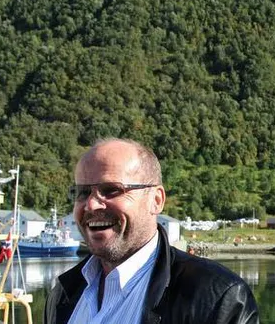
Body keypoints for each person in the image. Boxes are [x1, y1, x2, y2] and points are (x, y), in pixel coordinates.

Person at [45, 138, 259, 324]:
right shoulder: (63, 294)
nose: (91, 205)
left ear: (156, 200)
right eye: (81, 193)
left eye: (111, 190)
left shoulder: (217, 298)